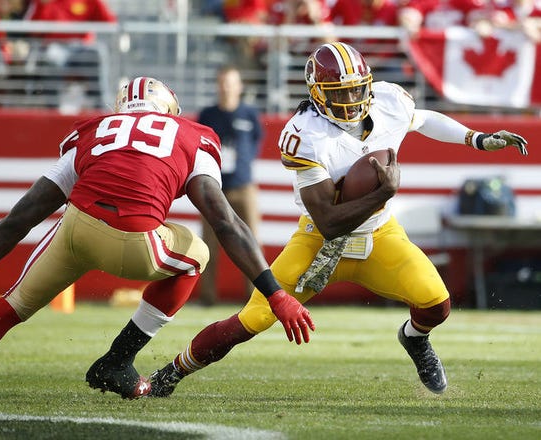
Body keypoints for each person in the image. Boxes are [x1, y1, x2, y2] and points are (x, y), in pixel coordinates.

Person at [0, 76, 315, 403]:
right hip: (136, 239)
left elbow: (21, 216)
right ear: (169, 109)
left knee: (12, 304)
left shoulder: (94, 132)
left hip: (75, 230)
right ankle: (118, 360)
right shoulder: (191, 135)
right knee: (197, 252)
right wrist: (275, 294)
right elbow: (226, 222)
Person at [148, 41, 529, 398]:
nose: (350, 100)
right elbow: (329, 220)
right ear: (316, 93)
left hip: (380, 234)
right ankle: (173, 372)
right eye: (339, 92)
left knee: (436, 304)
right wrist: (382, 192)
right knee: (253, 319)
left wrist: (475, 139)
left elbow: (423, 118)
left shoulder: (388, 101)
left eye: (356, 89)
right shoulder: (304, 134)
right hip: (319, 241)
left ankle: (414, 338)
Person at [197, 66, 264, 306]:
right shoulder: (208, 115)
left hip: (243, 187)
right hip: (214, 189)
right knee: (207, 246)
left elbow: (257, 140)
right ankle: (207, 297)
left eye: (231, 82)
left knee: (251, 244)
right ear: (218, 85)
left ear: (239, 87)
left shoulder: (249, 114)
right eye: (223, 82)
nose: (226, 87)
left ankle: (256, 297)